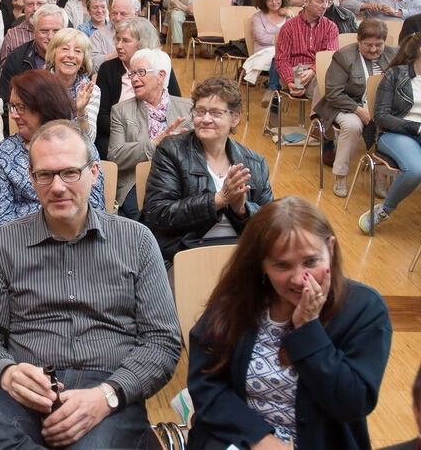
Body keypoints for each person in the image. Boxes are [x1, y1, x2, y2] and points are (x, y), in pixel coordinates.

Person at [0, 119, 180, 450]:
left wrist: (107, 396)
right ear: (32, 179)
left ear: (94, 173)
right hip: (30, 388)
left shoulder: (137, 240)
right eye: (45, 175)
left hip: (108, 387)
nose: (57, 186)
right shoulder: (1, 244)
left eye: (70, 172)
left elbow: (162, 342)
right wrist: (6, 374)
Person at [187, 196, 392, 450]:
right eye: (282, 265)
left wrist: (308, 329)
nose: (299, 279)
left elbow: (352, 403)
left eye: (310, 262)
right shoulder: (237, 299)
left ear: (331, 248)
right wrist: (259, 438)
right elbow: (205, 383)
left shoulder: (364, 309)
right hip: (238, 439)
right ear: (262, 264)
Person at [142, 77, 273, 266]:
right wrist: (217, 201)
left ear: (235, 118)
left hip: (240, 255)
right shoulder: (171, 151)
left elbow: (270, 225)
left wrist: (242, 210)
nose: (205, 119)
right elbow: (158, 214)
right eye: (199, 111)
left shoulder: (255, 163)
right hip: (185, 253)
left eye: (215, 113)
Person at [0, 70, 105, 227]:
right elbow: (2, 216)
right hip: (23, 242)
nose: (14, 115)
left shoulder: (80, 144)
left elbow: (96, 206)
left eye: (21, 107)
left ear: (44, 106)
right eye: (12, 106)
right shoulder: (4, 152)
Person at [108, 49, 192, 220]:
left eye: (141, 72)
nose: (134, 78)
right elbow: (115, 155)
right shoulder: (121, 111)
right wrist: (155, 143)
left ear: (161, 75)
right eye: (131, 73)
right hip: (135, 182)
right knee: (147, 219)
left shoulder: (188, 109)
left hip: (179, 179)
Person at [315, 20, 396, 197]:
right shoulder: (344, 56)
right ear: (358, 40)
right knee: (352, 126)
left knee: (391, 125)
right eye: (368, 45)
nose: (373, 49)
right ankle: (340, 175)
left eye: (378, 45)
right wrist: (359, 110)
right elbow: (333, 93)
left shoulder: (393, 54)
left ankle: (382, 174)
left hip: (380, 105)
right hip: (345, 104)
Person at [359, 31, 421, 232]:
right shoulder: (396, 74)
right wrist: (417, 127)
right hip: (397, 133)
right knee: (415, 170)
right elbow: (381, 116)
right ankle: (383, 210)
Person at [95, 17, 182, 159]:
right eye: (117, 39)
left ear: (142, 44)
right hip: (119, 135)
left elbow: (175, 106)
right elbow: (102, 115)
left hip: (159, 134)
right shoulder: (108, 69)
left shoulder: (161, 67)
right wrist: (130, 131)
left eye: (126, 40)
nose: (118, 45)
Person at [45, 28, 99, 140]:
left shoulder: (90, 90)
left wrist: (81, 112)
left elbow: (89, 140)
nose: (71, 55)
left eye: (78, 51)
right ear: (53, 53)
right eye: (65, 49)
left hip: (77, 152)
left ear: (84, 59)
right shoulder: (39, 85)